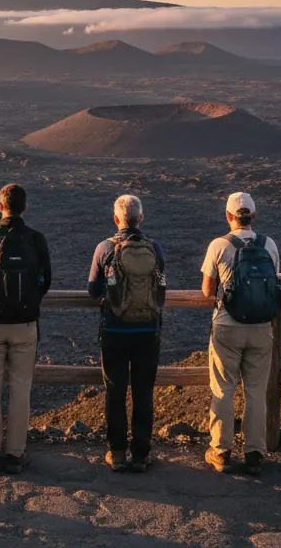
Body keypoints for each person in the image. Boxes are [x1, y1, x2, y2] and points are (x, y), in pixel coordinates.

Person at [0, 183, 52, 474]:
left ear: (0, 206)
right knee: (20, 390)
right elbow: (46, 281)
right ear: (24, 207)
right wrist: (28, 305)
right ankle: (15, 454)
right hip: (25, 325)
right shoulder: (36, 240)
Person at [200, 192, 281, 476]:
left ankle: (221, 451)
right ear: (254, 217)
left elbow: (207, 290)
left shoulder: (219, 246)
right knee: (256, 391)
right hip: (261, 328)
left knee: (223, 389)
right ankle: (255, 452)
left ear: (228, 216)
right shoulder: (269, 245)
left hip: (228, 325)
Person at [88, 194, 167, 473]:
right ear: (140, 219)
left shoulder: (105, 248)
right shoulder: (155, 248)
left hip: (114, 330)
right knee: (143, 393)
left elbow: (93, 290)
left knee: (115, 391)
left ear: (116, 219)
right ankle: (141, 454)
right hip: (148, 332)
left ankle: (118, 454)